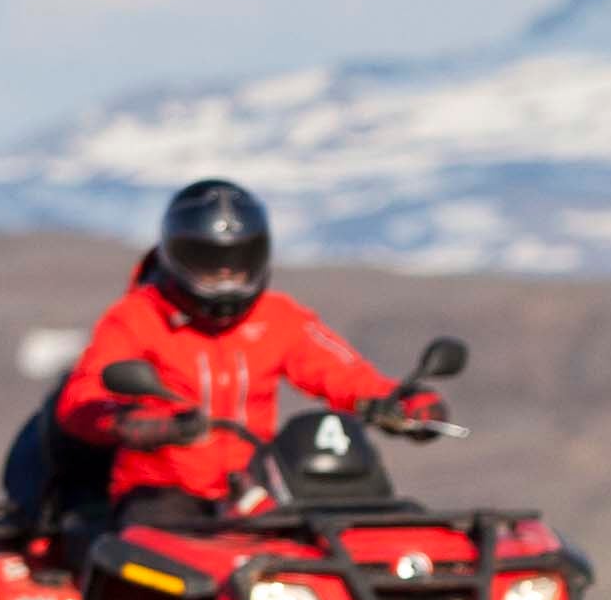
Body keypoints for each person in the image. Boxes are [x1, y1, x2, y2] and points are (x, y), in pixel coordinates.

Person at [45, 178, 431, 511]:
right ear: (176, 256)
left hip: (259, 491)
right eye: (208, 262)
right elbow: (84, 395)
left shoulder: (278, 317)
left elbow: (342, 372)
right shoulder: (137, 316)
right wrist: (136, 424)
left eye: (237, 261)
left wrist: (403, 402)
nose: (225, 275)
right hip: (160, 494)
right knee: (162, 560)